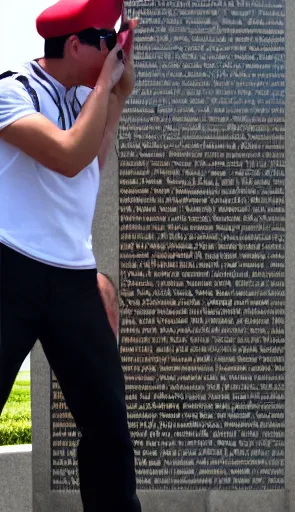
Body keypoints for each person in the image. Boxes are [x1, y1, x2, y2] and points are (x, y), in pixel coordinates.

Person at [0, 0, 141, 510]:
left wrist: (116, 96)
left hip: (73, 280)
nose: (112, 51)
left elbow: (88, 170)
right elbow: (66, 156)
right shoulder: (9, 91)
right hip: (10, 270)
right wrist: (106, 84)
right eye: (105, 40)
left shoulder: (81, 99)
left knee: (108, 430)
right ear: (75, 44)